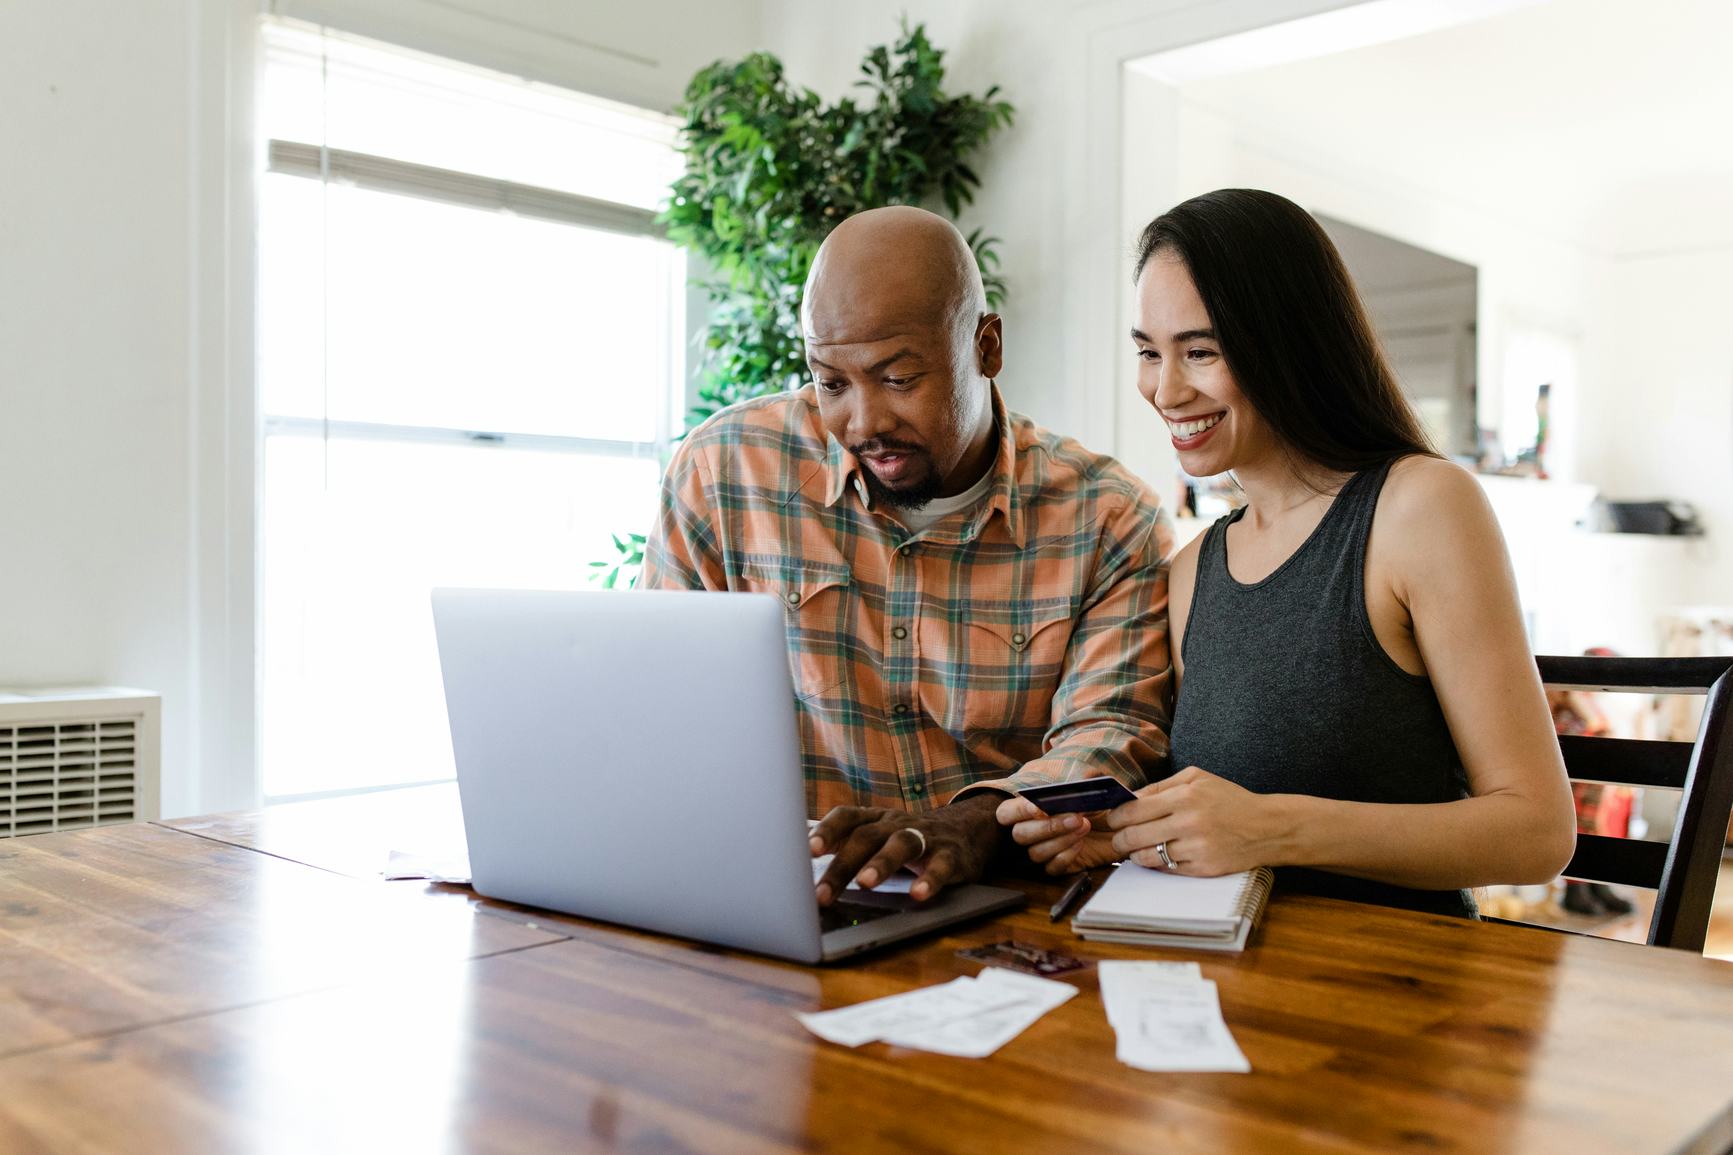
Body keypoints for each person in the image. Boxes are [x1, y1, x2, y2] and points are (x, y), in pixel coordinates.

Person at [996, 189, 1575, 916]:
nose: (1165, 389)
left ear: (1289, 342)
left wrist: (1276, 828)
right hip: (1232, 977)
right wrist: (1112, 834)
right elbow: (1219, 821)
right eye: (1148, 352)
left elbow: (1536, 831)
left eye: (1199, 352)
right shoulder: (1192, 567)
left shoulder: (1419, 507)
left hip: (1395, 985)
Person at [640, 206, 1174, 907]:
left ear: (986, 346)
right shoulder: (723, 473)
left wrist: (975, 819)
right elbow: (660, 706)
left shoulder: (1107, 517)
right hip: (787, 896)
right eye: (831, 382)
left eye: (898, 378)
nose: (862, 424)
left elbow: (1112, 733)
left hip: (1001, 904)